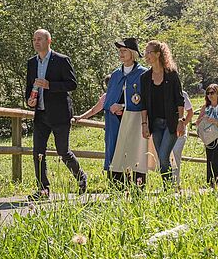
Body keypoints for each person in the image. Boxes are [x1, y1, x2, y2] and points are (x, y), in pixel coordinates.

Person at [26, 29, 87, 200]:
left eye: (40, 39)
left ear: (49, 41)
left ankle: (81, 177)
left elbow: (72, 84)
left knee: (63, 152)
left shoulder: (61, 60)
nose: (36, 42)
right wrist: (29, 102)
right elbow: (28, 87)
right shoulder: (31, 63)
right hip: (41, 114)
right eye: (34, 39)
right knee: (38, 152)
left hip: (60, 114)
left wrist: (49, 85)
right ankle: (43, 190)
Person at [82, 38, 148, 186]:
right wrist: (112, 107)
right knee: (115, 151)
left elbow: (145, 100)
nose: (121, 54)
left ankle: (137, 188)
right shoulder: (115, 75)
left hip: (134, 120)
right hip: (114, 121)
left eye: (124, 51)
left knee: (135, 152)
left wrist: (123, 106)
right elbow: (110, 98)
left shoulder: (143, 74)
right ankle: (117, 187)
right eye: (120, 51)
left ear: (133, 53)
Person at [141, 40, 185, 186]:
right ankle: (169, 186)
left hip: (171, 123)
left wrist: (181, 121)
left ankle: (169, 187)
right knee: (162, 159)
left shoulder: (171, 75)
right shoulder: (145, 77)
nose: (146, 55)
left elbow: (180, 99)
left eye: (149, 52)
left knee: (163, 156)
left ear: (158, 54)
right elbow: (144, 103)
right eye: (145, 52)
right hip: (155, 123)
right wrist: (144, 124)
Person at [195, 84, 218, 187]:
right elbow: (197, 123)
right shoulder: (205, 107)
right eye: (208, 93)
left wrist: (217, 121)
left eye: (212, 93)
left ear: (217, 93)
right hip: (209, 136)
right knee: (210, 160)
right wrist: (202, 120)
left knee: (216, 159)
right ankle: (212, 184)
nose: (210, 95)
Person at [171, 90, 195, 186]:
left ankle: (175, 183)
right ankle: (168, 182)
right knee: (166, 156)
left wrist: (183, 124)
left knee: (175, 154)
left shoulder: (182, 94)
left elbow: (190, 112)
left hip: (180, 132)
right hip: (167, 129)